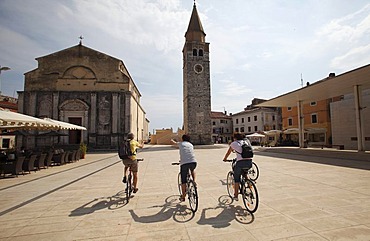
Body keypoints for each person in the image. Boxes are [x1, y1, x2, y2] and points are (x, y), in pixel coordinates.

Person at [223, 132, 252, 201]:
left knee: (237, 179)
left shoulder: (234, 143)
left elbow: (229, 152)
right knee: (245, 173)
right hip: (249, 162)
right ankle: (250, 186)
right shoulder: (246, 142)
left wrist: (225, 159)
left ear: (234, 137)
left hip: (240, 163)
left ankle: (236, 195)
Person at [170, 134, 197, 202]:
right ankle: (194, 181)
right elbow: (188, 153)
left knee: (183, 181)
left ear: (182, 139)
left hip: (184, 163)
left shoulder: (181, 143)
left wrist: (172, 140)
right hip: (193, 162)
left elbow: (173, 143)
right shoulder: (191, 145)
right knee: (192, 169)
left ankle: (183, 196)